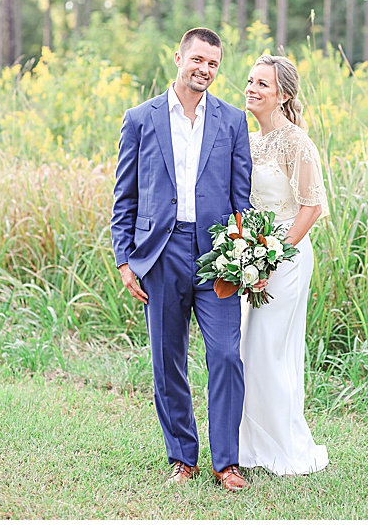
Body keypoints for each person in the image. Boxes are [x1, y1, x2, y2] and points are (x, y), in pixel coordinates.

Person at [110, 27, 252, 491]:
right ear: (178, 57)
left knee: (227, 355)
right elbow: (124, 199)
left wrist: (245, 256)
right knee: (167, 359)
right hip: (161, 254)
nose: (204, 70)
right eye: (197, 60)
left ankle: (226, 461)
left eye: (212, 63)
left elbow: (241, 200)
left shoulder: (232, 121)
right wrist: (125, 261)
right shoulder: (139, 118)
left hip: (217, 257)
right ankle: (182, 457)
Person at [239, 54, 330, 475]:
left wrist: (273, 256)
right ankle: (251, 446)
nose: (252, 89)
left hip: (285, 258)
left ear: (283, 96)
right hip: (251, 253)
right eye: (251, 81)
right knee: (248, 347)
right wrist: (245, 252)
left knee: (270, 347)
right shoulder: (251, 139)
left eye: (263, 84)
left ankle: (282, 448)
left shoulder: (297, 142)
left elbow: (311, 209)